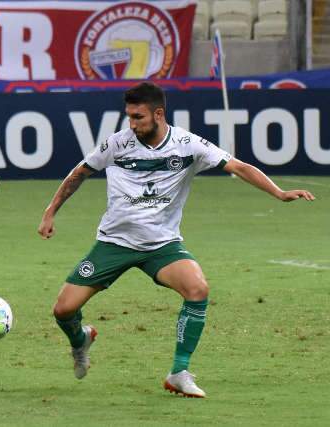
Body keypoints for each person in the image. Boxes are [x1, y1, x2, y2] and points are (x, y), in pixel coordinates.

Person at [37, 82, 315, 398]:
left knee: (197, 289)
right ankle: (81, 341)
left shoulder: (188, 144)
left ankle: (179, 372)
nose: (132, 124)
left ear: (158, 113)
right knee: (63, 310)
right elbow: (79, 173)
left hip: (161, 245)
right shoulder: (117, 144)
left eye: (138, 117)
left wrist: (278, 193)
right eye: (128, 116)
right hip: (114, 242)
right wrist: (50, 211)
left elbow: (238, 166)